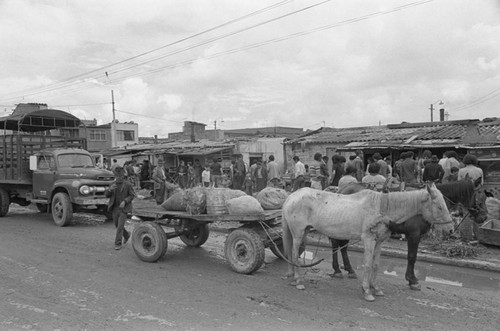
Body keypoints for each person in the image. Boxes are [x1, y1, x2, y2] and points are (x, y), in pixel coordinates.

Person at [106, 167, 135, 250]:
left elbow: (132, 195)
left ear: (123, 176)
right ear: (115, 176)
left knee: (120, 226)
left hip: (123, 209)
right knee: (117, 225)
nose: (119, 178)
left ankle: (118, 243)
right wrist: (109, 190)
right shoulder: (112, 184)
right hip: (114, 208)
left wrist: (125, 201)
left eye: (121, 177)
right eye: (117, 177)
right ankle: (126, 235)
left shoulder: (128, 184)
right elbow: (106, 195)